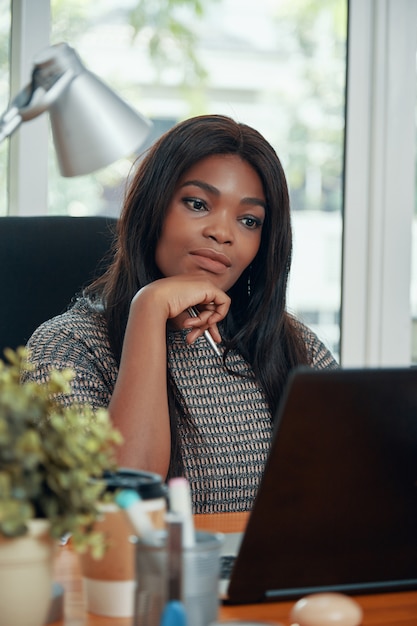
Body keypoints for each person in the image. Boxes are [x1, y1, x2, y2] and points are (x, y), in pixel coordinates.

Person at [25, 114, 338, 514]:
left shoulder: (293, 343)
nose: (222, 233)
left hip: (275, 576)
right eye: (197, 203)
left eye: (248, 220)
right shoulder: (68, 348)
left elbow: (355, 489)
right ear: (152, 207)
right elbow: (118, 515)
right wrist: (149, 309)